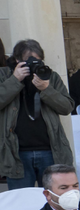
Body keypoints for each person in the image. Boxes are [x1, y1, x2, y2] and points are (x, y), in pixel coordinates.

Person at [0, 39, 74, 190]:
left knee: (55, 199)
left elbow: (67, 107)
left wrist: (47, 89)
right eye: (28, 62)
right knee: (21, 202)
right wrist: (15, 80)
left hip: (50, 150)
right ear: (16, 60)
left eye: (38, 61)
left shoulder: (50, 77)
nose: (34, 65)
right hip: (16, 154)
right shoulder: (4, 75)